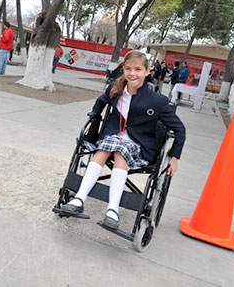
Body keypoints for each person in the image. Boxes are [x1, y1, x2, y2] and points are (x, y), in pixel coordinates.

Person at [59, 50, 186, 229]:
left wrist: (174, 157)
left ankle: (113, 210)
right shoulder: (116, 89)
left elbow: (180, 129)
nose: (132, 73)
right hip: (112, 137)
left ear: (147, 71)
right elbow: (100, 102)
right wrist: (94, 117)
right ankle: (79, 199)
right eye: (128, 68)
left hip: (137, 144)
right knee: (103, 149)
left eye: (138, 69)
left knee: (119, 151)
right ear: (123, 70)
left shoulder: (157, 100)